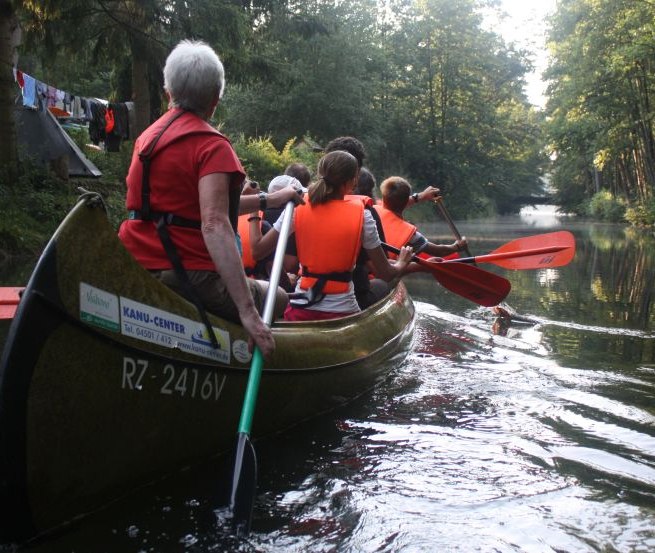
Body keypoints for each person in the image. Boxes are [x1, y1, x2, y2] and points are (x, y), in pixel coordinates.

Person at [118, 40, 301, 357]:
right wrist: (248, 313)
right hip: (187, 273)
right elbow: (214, 222)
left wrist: (269, 200)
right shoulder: (211, 146)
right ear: (215, 101)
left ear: (168, 92)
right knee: (280, 297)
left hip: (134, 262)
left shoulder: (148, 139)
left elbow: (193, 208)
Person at [249, 150, 415, 321]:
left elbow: (258, 251)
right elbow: (386, 273)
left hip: (300, 309)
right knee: (383, 286)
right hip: (343, 311)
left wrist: (254, 213)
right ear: (353, 181)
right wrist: (402, 262)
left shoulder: (297, 208)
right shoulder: (363, 216)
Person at [374, 176, 467, 258]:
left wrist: (421, 196)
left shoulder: (372, 209)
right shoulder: (411, 236)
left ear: (383, 197)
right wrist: (457, 247)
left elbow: (395, 202)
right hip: (385, 274)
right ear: (406, 200)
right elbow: (438, 251)